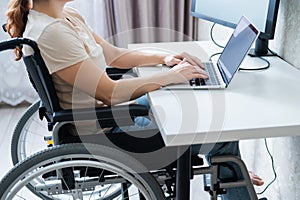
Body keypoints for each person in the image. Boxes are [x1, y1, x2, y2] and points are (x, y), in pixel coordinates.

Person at [6, 0, 264, 199]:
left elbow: (115, 57)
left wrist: (165, 59)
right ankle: (231, 172)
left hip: (109, 113)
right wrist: (171, 77)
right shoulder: (52, 33)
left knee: (184, 102)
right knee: (222, 134)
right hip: (103, 132)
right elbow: (109, 92)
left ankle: (230, 172)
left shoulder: (67, 16)